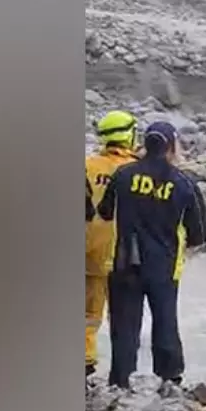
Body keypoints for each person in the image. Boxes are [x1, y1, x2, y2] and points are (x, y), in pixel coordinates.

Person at [96, 121, 206, 390]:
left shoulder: (123, 175)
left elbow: (104, 211)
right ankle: (169, 380)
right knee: (165, 322)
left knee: (124, 327)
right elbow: (201, 234)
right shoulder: (184, 183)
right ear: (171, 146)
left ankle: (120, 382)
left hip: (124, 261)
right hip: (164, 267)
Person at [84, 110, 140, 378]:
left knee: (88, 312)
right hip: (126, 253)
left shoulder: (87, 165)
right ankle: (122, 372)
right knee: (124, 316)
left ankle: (85, 357)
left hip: (90, 248)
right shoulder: (138, 171)